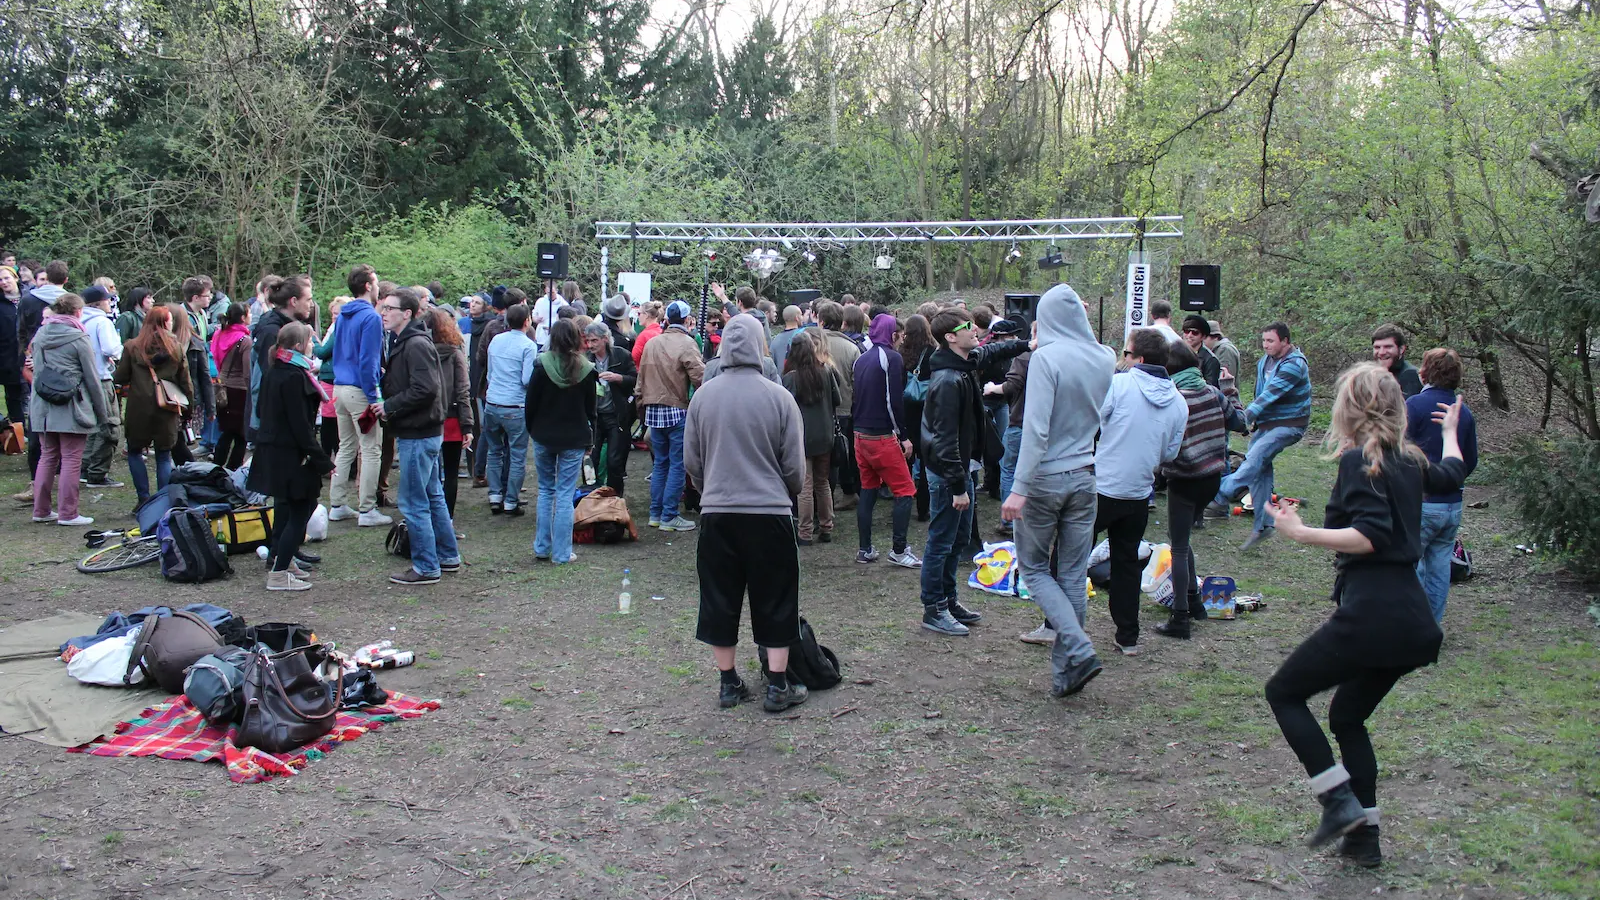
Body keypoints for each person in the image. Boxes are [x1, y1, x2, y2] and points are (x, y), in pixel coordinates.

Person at [1262, 363, 1466, 866]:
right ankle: (1364, 837)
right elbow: (1455, 472)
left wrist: (1301, 532)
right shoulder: (1408, 459)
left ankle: (1337, 801)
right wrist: (1450, 433)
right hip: (1411, 621)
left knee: (1283, 693)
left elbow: (1370, 536)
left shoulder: (1361, 462)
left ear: (1347, 408)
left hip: (1372, 612)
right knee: (1347, 716)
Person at [683, 315, 808, 712]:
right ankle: (777, 685)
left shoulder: (703, 396)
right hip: (769, 513)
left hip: (718, 512)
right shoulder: (778, 397)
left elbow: (693, 461)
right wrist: (781, 495)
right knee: (776, 597)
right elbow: (795, 468)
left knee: (719, 597)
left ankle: (728, 683)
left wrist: (711, 493)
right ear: (760, 345)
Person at [1001, 285, 1117, 684]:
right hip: (1086, 474)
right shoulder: (1105, 357)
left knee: (1033, 569)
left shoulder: (1045, 359)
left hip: (1045, 478)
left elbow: (1035, 430)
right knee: (1070, 574)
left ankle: (1078, 646)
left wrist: (1019, 487)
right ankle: (1067, 672)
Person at [917, 308, 1028, 636]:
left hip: (962, 467)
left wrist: (1028, 343)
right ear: (951, 337)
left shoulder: (962, 363)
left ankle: (949, 600)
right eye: (968, 327)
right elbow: (945, 440)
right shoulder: (948, 380)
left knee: (960, 538)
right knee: (941, 541)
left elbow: (993, 349)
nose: (976, 331)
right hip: (949, 472)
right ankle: (933, 608)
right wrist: (958, 486)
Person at [1092, 328, 1188, 655]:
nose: (1123, 359)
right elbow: (1170, 455)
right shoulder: (1178, 401)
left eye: (1127, 354)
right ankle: (1127, 637)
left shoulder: (1119, 384)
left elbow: (1095, 420)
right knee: (1127, 564)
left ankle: (1056, 624)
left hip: (1102, 486)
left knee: (1068, 553)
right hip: (1138, 493)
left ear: (1139, 358)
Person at [1154, 341, 1246, 640]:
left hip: (1185, 478)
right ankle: (1195, 602)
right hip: (1212, 479)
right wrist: (1230, 387)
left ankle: (1180, 618)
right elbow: (1241, 422)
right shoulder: (1212, 391)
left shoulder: (1174, 398)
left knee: (1178, 547)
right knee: (1182, 540)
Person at [1206, 322, 1312, 550]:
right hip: (1267, 425)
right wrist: (1231, 390)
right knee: (1260, 473)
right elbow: (1259, 394)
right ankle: (1263, 526)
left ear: (1285, 341)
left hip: (1289, 425)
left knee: (1253, 460)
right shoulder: (1265, 361)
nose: (1266, 345)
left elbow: (1268, 396)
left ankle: (1219, 495)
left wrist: (1243, 418)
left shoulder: (1294, 365)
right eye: (1264, 341)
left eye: (1271, 341)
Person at [380, 288, 460, 585]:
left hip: (419, 432)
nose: (385, 312)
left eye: (391, 308)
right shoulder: (406, 341)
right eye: (384, 307)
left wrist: (389, 406)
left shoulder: (415, 344)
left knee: (414, 502)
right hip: (421, 430)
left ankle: (426, 566)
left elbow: (425, 388)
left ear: (408, 313)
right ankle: (447, 556)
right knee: (432, 496)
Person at [248, 322, 334, 591]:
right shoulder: (295, 376)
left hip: (275, 449)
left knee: (292, 509)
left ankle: (283, 561)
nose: (312, 346)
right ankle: (279, 572)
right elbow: (301, 425)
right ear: (299, 346)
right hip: (290, 454)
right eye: (310, 342)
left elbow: (261, 410)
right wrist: (320, 459)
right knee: (301, 509)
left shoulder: (276, 371)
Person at [1405, 348, 1478, 623]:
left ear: (1424, 372)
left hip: (1422, 502)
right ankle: (1431, 626)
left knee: (1411, 566)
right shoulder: (1465, 414)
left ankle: (1410, 627)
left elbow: (1399, 451)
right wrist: (1454, 477)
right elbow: (1470, 460)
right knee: (1439, 568)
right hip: (1452, 504)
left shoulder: (1414, 406)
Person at [28, 293, 109, 526]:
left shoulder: (41, 333)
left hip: (43, 404)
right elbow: (92, 379)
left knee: (48, 456)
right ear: (77, 312)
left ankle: (41, 510)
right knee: (72, 459)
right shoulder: (78, 337)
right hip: (71, 404)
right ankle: (68, 513)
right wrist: (102, 413)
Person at [852, 313, 921, 568]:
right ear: (892, 334)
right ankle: (899, 550)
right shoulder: (891, 358)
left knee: (868, 489)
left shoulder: (860, 359)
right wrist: (903, 436)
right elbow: (894, 401)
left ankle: (865, 548)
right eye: (899, 334)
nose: (902, 338)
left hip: (860, 435)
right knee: (905, 490)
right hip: (881, 436)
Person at [526, 319, 597, 563]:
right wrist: (591, 437)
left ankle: (542, 547)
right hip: (574, 437)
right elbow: (591, 410)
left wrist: (532, 430)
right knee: (565, 495)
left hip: (544, 435)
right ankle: (561, 553)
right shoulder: (587, 369)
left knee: (546, 491)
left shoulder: (540, 365)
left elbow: (530, 404)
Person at [635, 300, 705, 532]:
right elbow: (700, 377)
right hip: (676, 410)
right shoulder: (687, 343)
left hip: (653, 410)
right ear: (687, 320)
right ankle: (669, 515)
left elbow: (641, 379)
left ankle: (656, 514)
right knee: (677, 465)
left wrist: (640, 406)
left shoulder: (652, 343)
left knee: (661, 464)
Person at [329, 264, 391, 526]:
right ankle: (367, 509)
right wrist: (375, 396)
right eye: (375, 282)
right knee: (371, 449)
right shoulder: (371, 318)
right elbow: (368, 362)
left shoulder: (343, 315)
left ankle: (337, 503)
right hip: (359, 391)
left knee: (346, 447)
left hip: (340, 388)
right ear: (368, 285)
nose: (378, 287)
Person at [114, 305, 190, 504]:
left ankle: (143, 498)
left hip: (139, 406)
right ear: (166, 323)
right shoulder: (177, 347)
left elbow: (121, 376)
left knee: (135, 451)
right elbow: (185, 381)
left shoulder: (132, 347)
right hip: (167, 406)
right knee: (164, 455)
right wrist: (189, 406)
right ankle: (162, 500)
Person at [782, 332, 841, 546]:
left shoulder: (790, 378)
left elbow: (784, 409)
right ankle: (827, 527)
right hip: (825, 436)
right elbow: (838, 399)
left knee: (805, 487)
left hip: (802, 438)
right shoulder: (825, 371)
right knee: (822, 483)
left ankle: (805, 532)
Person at [483, 302, 538, 515]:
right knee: (517, 454)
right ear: (527, 321)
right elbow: (526, 379)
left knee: (494, 451)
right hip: (514, 405)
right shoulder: (528, 346)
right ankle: (511, 500)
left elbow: (489, 372)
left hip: (493, 402)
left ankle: (495, 494)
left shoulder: (496, 340)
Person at [429, 307, 474, 519]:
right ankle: (446, 520)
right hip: (451, 419)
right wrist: (467, 425)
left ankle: (433, 518)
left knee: (431, 473)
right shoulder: (455, 354)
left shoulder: (420, 350)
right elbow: (463, 390)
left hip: (430, 417)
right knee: (451, 472)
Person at [77, 286, 124, 487]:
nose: (110, 303)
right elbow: (111, 348)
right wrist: (119, 352)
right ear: (99, 302)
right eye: (107, 300)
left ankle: (84, 468)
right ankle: (97, 474)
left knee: (92, 426)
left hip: (83, 380)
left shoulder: (78, 321)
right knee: (110, 426)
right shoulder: (102, 322)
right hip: (101, 380)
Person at [583, 322, 636, 496]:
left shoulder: (621, 355)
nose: (590, 345)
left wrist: (618, 378)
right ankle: (590, 496)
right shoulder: (585, 359)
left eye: (594, 341)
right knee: (591, 459)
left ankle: (615, 498)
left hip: (616, 415)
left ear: (605, 339)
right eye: (588, 341)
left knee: (614, 460)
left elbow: (635, 379)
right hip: (595, 416)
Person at [164, 302, 214, 465]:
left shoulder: (195, 343)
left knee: (177, 440)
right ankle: (187, 469)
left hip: (188, 399)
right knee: (175, 439)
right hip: (167, 398)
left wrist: (210, 406)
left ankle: (190, 470)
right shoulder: (162, 343)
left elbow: (204, 375)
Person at [898, 314, 937, 523]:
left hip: (906, 411)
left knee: (905, 460)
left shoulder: (901, 353)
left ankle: (903, 501)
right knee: (925, 461)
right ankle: (924, 508)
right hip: (926, 410)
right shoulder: (933, 353)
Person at [210, 302, 253, 470]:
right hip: (239, 389)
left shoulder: (220, 333)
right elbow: (247, 370)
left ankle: (217, 464)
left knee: (227, 430)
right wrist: (252, 391)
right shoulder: (244, 340)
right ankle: (232, 468)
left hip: (222, 386)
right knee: (241, 434)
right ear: (243, 318)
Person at [1371, 324, 1422, 398]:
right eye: (1377, 347)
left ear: (1401, 349)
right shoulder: (1371, 377)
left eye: (1388, 347)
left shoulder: (1410, 375)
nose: (1381, 352)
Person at [0, 266, 23, 425]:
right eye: (0, 280)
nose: (4, 282)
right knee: (13, 393)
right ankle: (18, 428)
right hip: (7, 354)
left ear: (15, 278)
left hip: (28, 352)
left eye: (7, 278)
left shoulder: (29, 298)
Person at [1181, 314, 1222, 386]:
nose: (1189, 335)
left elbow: (1212, 388)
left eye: (1195, 333)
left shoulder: (1211, 360)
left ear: (1203, 336)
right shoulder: (1176, 354)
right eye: (1186, 331)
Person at [768, 305, 805, 369]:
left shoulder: (775, 340)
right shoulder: (803, 336)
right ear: (797, 317)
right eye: (801, 315)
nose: (802, 318)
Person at [630, 300, 664, 367]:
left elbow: (634, 358)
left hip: (644, 373)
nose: (638, 316)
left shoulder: (644, 336)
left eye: (639, 313)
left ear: (646, 315)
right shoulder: (662, 332)